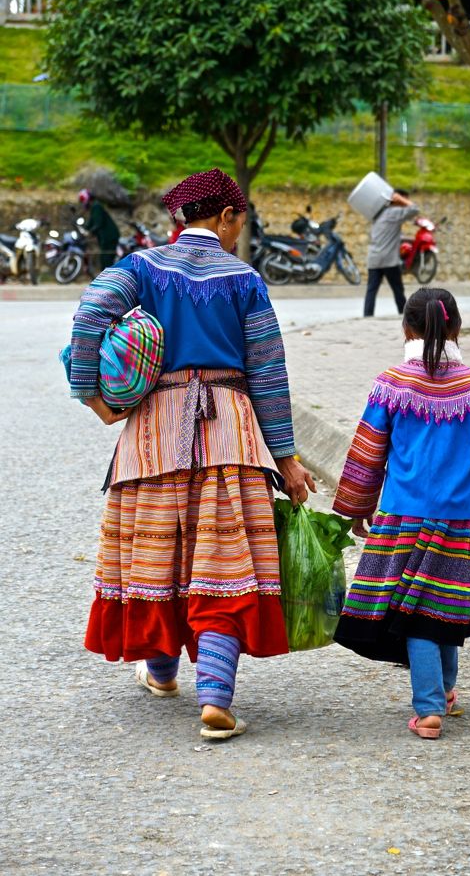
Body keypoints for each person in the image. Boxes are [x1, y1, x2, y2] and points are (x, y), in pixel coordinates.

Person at [68, 167, 315, 741]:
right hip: (230, 431)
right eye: (238, 223)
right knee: (222, 564)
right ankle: (216, 700)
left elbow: (88, 319)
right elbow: (269, 377)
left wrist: (95, 398)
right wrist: (286, 458)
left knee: (161, 556)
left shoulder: (139, 267)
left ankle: (161, 674)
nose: (237, 235)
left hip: (153, 434)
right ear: (225, 216)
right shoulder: (245, 279)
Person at [331, 287, 470, 739]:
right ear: (456, 328)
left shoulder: (391, 384)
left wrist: (357, 506)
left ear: (406, 329)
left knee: (414, 608)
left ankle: (430, 708)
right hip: (463, 515)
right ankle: (444, 691)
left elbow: (368, 451)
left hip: (404, 513)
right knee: (443, 602)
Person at [363, 189, 419, 317]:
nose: (406, 203)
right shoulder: (394, 212)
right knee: (398, 290)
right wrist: (401, 199)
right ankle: (406, 316)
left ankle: (367, 317)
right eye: (405, 199)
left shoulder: (379, 213)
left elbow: (388, 233)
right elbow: (415, 209)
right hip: (388, 260)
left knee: (371, 290)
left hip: (374, 259)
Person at [79, 188, 121, 271]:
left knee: (106, 258)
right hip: (106, 237)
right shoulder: (94, 207)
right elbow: (91, 223)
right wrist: (85, 228)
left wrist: (90, 232)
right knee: (105, 257)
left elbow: (98, 223)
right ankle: (106, 277)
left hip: (109, 236)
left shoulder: (96, 206)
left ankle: (107, 278)